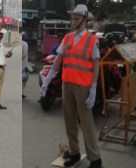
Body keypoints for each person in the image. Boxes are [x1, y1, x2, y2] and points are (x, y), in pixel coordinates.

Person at [40, 4, 102, 168]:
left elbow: (96, 64)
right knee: (69, 120)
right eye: (72, 17)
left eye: (76, 18)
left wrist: (94, 87)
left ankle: (95, 159)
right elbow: (59, 59)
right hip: (67, 84)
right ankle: (74, 152)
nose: (73, 20)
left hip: (83, 86)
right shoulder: (67, 38)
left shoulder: (92, 40)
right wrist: (47, 79)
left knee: (86, 122)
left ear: (84, 20)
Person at [22, 34, 29, 98]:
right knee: (24, 79)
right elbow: (25, 54)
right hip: (24, 65)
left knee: (23, 79)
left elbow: (23, 54)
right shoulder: (25, 43)